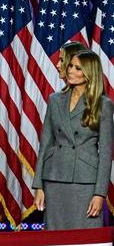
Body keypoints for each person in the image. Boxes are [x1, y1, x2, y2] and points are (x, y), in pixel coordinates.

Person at [33, 50, 112, 229]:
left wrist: (100, 194)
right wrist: (39, 185)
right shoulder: (55, 100)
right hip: (54, 179)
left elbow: (106, 153)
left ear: (89, 72)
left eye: (78, 68)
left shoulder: (103, 104)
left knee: (86, 239)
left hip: (85, 182)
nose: (70, 71)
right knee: (55, 241)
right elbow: (45, 144)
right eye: (70, 66)